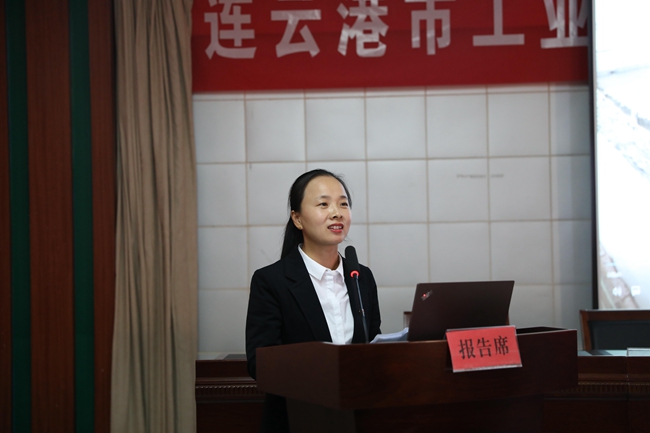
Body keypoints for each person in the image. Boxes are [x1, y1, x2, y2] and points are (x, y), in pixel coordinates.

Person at [245, 168, 382, 432]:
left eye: (343, 204)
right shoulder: (271, 281)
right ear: (297, 219)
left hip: (358, 418)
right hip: (297, 419)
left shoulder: (361, 277)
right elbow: (259, 364)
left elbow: (371, 345)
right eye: (323, 204)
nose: (337, 213)